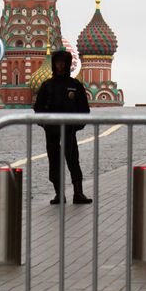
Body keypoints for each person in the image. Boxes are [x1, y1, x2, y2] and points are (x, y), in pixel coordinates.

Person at [33, 49, 92, 205]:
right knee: (54, 162)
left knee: (73, 160)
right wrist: (44, 123)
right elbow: (38, 107)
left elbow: (84, 109)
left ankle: (78, 193)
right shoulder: (47, 86)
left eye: (63, 62)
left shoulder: (75, 85)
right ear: (54, 64)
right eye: (58, 62)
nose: (60, 65)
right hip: (52, 131)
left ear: (67, 64)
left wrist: (77, 125)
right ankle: (59, 194)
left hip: (69, 130)